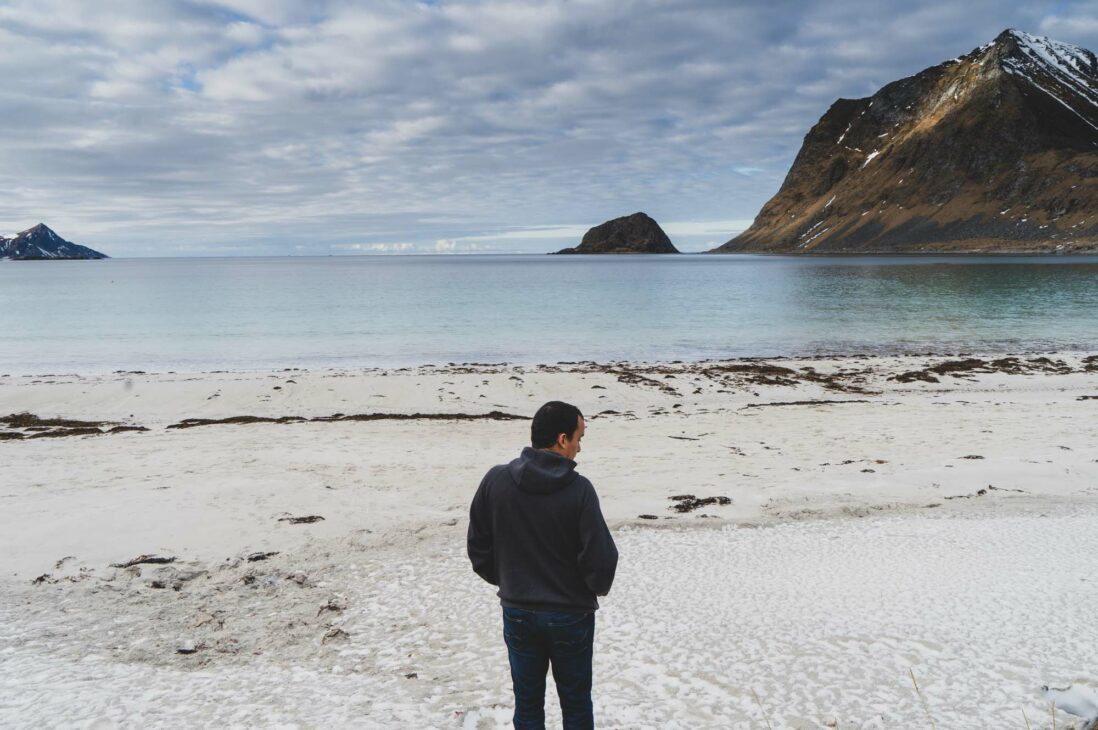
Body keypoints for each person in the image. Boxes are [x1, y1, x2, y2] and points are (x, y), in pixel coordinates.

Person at [468, 400, 619, 729]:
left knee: (527, 705)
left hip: (518, 610)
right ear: (562, 439)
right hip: (569, 614)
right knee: (576, 706)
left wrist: (508, 580)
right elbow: (602, 560)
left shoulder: (497, 480)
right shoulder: (580, 490)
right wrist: (587, 589)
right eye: (579, 437)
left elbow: (478, 546)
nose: (580, 448)